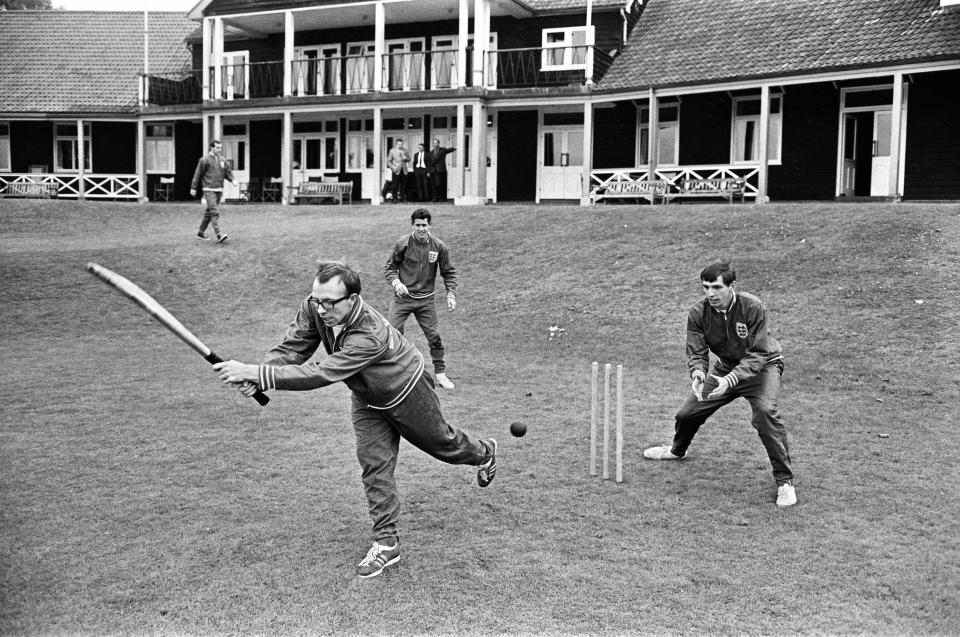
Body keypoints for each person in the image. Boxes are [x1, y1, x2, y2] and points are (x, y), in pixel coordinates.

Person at [212, 261, 498, 579]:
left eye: (328, 303)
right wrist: (262, 375)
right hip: (366, 397)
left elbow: (322, 372)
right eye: (316, 300)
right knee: (374, 466)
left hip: (407, 389)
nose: (320, 309)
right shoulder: (315, 307)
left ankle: (484, 452)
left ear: (352, 299)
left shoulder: (369, 333)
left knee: (442, 443)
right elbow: (294, 347)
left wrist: (256, 373)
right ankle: (386, 544)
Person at [643, 261, 797, 508]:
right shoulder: (698, 313)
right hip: (725, 368)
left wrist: (732, 379)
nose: (710, 293)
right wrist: (698, 374)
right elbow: (696, 351)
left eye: (716, 287)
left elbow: (758, 352)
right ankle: (676, 450)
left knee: (765, 413)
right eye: (705, 287)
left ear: (732, 286)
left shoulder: (752, 307)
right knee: (687, 413)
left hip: (763, 367)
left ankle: (785, 482)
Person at [384, 208, 458, 390]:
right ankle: (393, 373)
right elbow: (390, 268)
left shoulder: (439, 246)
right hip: (403, 298)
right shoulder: (403, 244)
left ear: (429, 225)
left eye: (424, 225)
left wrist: (451, 293)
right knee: (392, 334)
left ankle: (440, 374)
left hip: (426, 301)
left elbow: (448, 272)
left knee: (434, 337)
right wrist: (396, 283)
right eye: (418, 225)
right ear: (412, 225)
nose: (421, 229)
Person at [190, 139, 237, 243]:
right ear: (212, 148)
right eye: (217, 148)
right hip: (208, 189)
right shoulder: (204, 160)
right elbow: (197, 174)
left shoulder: (223, 160)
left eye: (220, 148)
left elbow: (227, 172)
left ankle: (200, 233)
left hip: (219, 189)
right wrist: (193, 187)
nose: (219, 150)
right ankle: (219, 234)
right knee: (214, 211)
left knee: (209, 212)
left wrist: (232, 180)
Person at [386, 139, 409, 203]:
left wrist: (406, 158)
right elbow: (388, 161)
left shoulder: (405, 150)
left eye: (401, 144)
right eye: (399, 144)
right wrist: (393, 167)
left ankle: (402, 198)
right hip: (396, 170)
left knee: (403, 184)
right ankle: (394, 198)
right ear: (396, 144)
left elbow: (409, 159)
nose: (400, 145)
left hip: (404, 170)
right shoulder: (392, 151)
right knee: (395, 185)